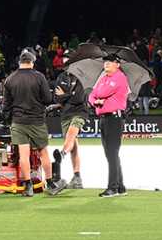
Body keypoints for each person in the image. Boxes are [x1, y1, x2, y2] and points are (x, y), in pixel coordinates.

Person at [3, 49, 57, 197]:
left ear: (19, 62)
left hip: (18, 121)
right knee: (43, 153)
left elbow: (6, 105)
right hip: (37, 120)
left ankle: (28, 186)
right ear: (32, 62)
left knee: (23, 155)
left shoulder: (10, 79)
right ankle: (50, 183)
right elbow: (47, 99)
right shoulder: (39, 77)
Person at [89, 52, 129, 197]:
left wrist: (98, 97)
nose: (106, 63)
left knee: (112, 153)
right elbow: (91, 95)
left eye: (110, 61)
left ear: (117, 64)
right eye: (105, 61)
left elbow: (102, 92)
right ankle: (120, 186)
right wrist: (96, 101)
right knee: (111, 153)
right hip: (105, 118)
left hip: (114, 118)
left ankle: (113, 187)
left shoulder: (120, 77)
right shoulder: (104, 78)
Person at [48, 52, 87, 194]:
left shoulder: (82, 77)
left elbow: (79, 98)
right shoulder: (61, 77)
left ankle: (62, 154)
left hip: (79, 113)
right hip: (65, 114)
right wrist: (69, 96)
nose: (66, 65)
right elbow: (56, 98)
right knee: (73, 146)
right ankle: (77, 177)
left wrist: (64, 95)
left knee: (71, 136)